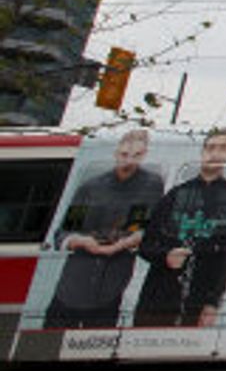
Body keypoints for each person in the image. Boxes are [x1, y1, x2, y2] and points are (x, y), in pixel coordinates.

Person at [43, 130, 164, 329]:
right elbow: (64, 232)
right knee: (49, 342)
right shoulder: (90, 187)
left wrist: (126, 242)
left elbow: (142, 229)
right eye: (124, 155)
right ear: (116, 153)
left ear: (144, 155)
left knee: (99, 339)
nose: (128, 161)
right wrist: (82, 241)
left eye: (135, 156)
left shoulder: (151, 186)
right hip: (73, 284)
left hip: (112, 284)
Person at [133, 128, 226, 328]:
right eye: (210, 147)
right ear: (202, 152)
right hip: (159, 296)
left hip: (197, 297)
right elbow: (146, 245)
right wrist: (166, 255)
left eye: (223, 148)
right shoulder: (176, 194)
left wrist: (212, 303)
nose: (215, 154)